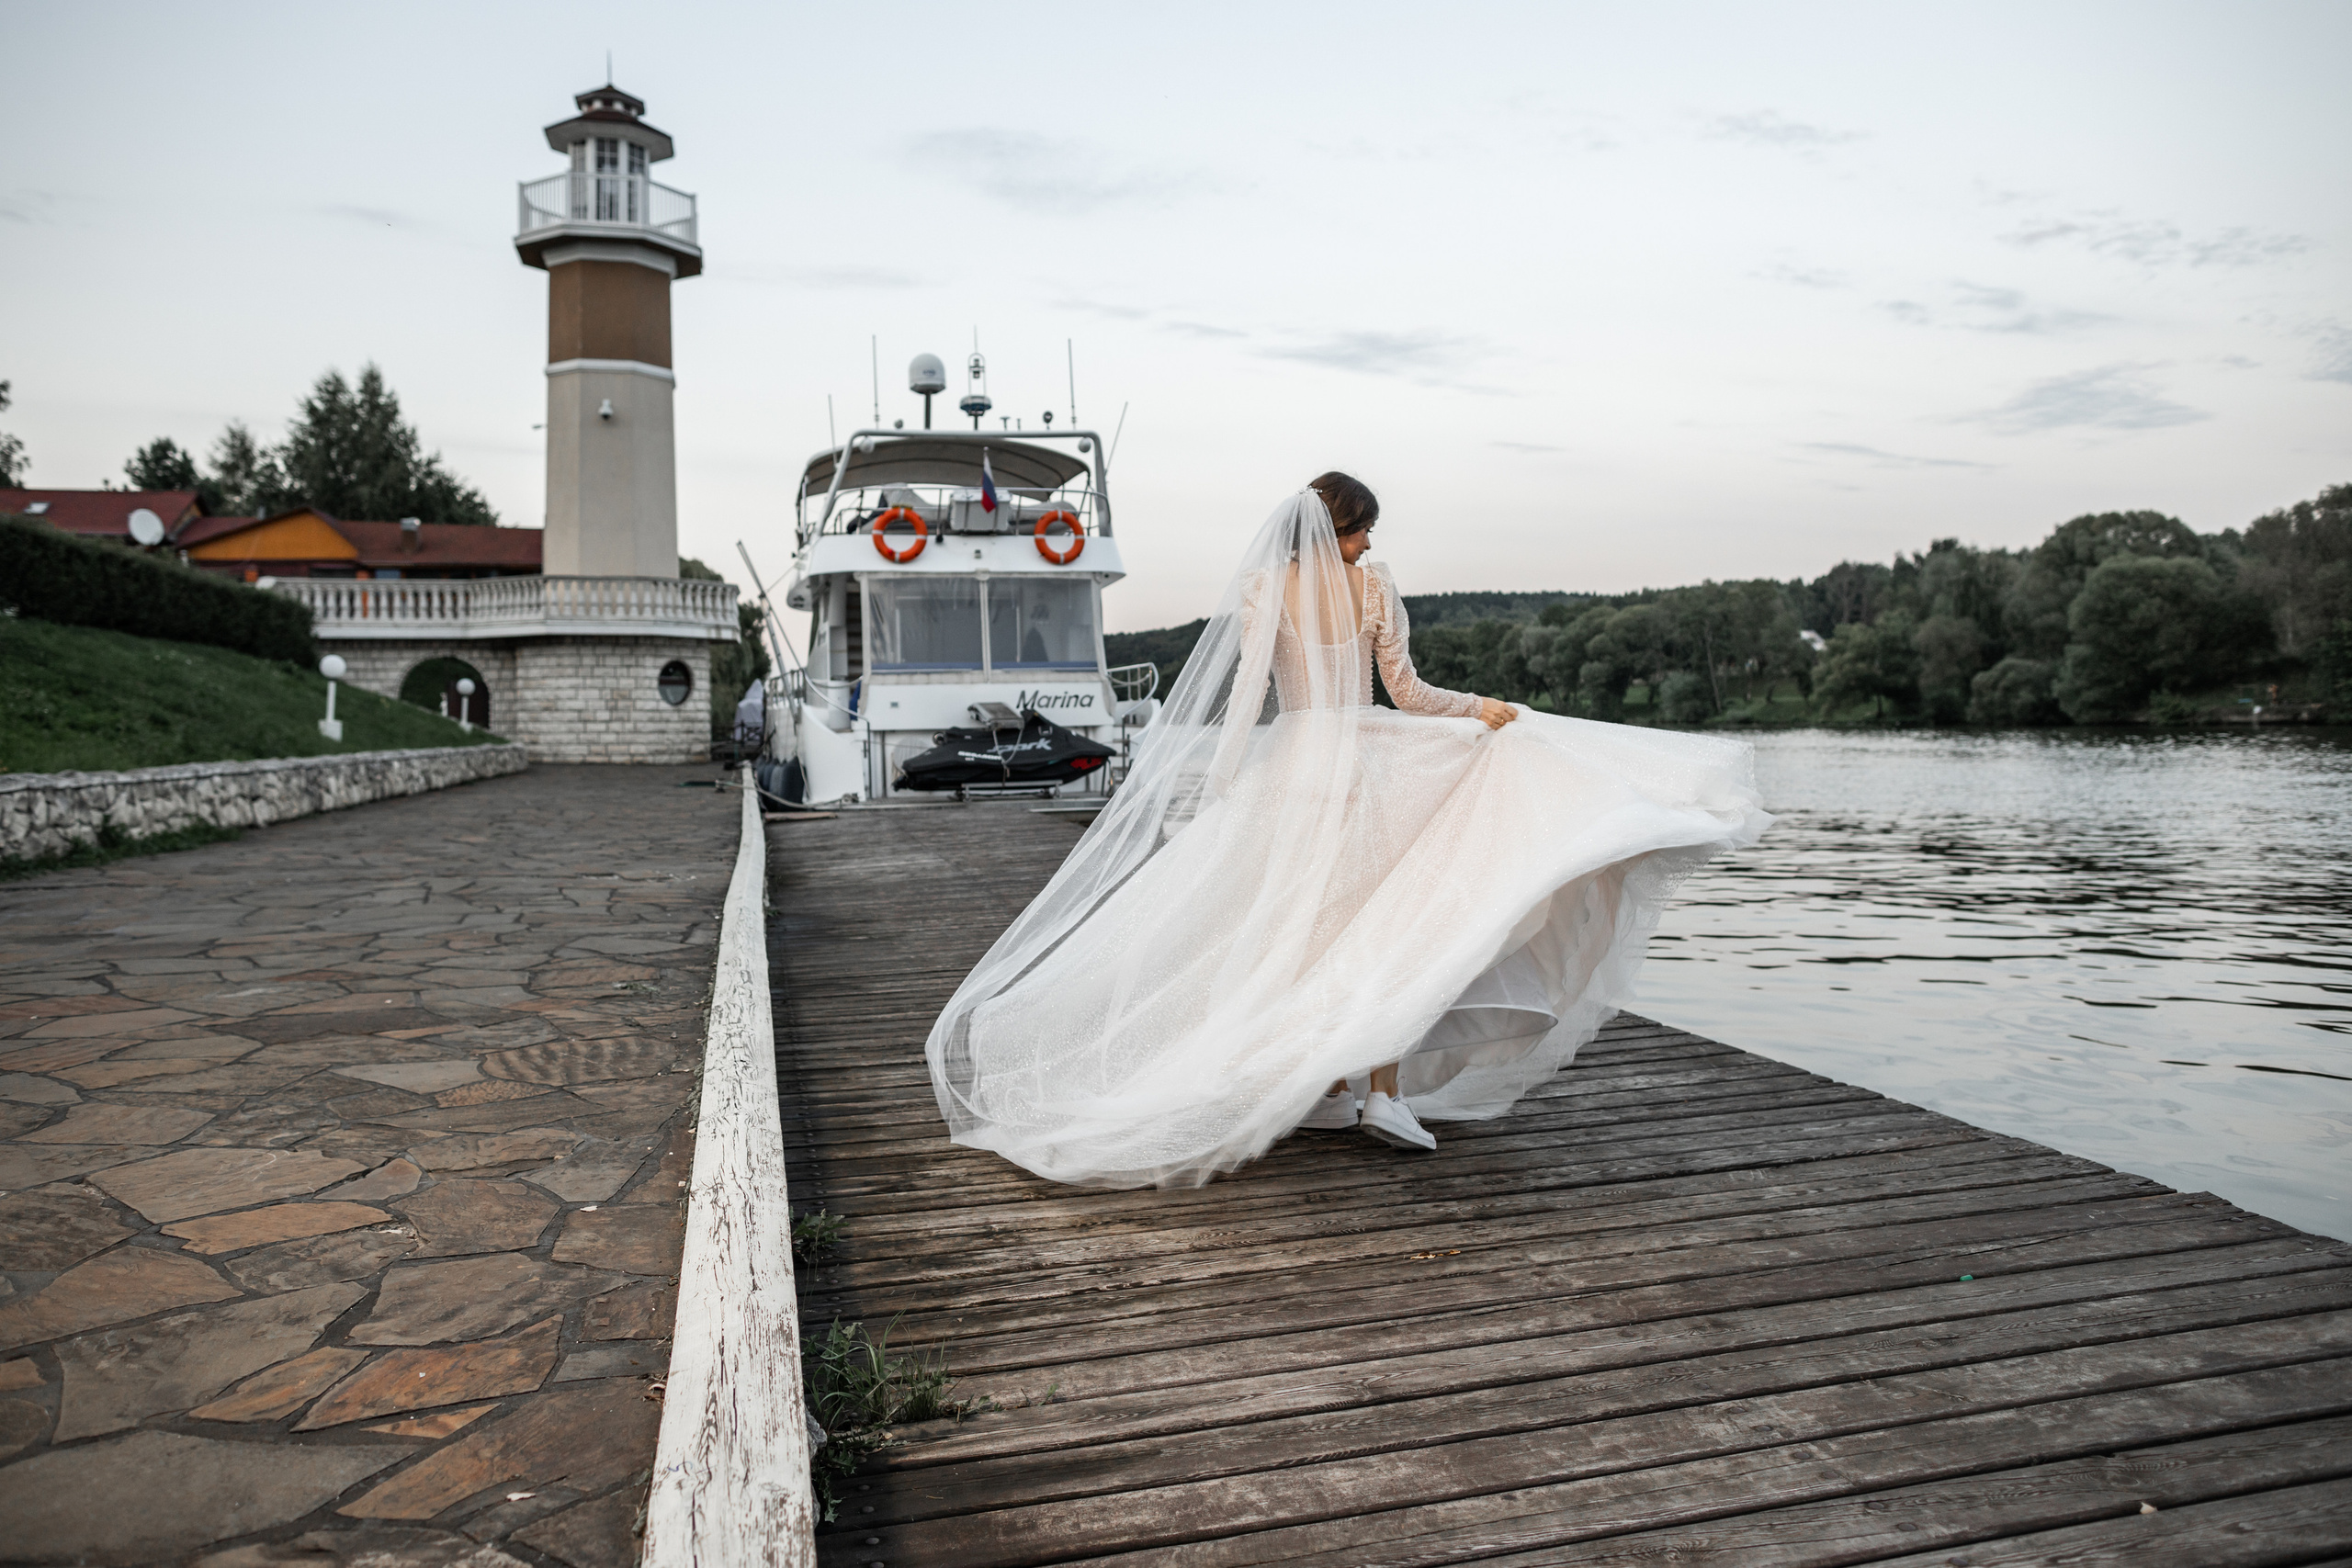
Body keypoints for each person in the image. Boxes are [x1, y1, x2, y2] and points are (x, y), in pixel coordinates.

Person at [925, 474, 1769, 1188]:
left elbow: (1251, 693)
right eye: (1363, 533)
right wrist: (1479, 710)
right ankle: (1369, 1091)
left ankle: (1347, 1086)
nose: (1368, 547)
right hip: (1367, 767)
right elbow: (1407, 694)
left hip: (1292, 771)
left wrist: (1221, 785)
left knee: (1307, 928)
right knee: (1380, 923)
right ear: (1346, 530)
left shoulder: (1267, 589)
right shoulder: (1372, 587)